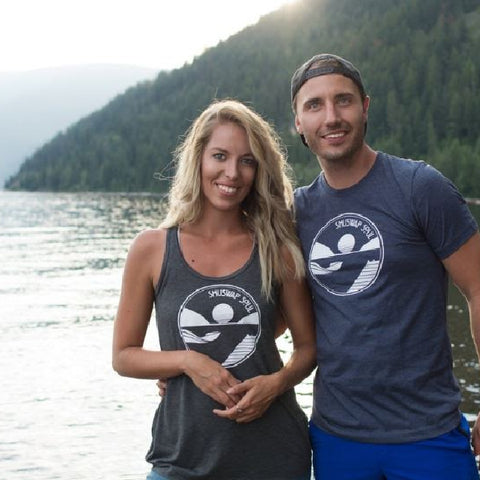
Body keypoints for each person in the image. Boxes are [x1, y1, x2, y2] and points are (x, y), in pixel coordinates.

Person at [290, 53, 480, 479]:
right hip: (336, 438)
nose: (332, 117)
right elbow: (280, 315)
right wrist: (195, 368)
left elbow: (478, 288)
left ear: (365, 107)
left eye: (344, 101)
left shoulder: (420, 187)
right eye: (314, 105)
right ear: (298, 123)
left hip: (428, 436)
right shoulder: (297, 212)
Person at [112, 99, 316, 480]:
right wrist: (187, 361)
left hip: (274, 456)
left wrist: (277, 383)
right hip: (181, 457)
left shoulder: (278, 249)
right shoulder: (152, 249)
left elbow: (307, 348)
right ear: (198, 160)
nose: (232, 173)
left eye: (247, 161)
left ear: (259, 170)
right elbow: (124, 356)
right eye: (219, 156)